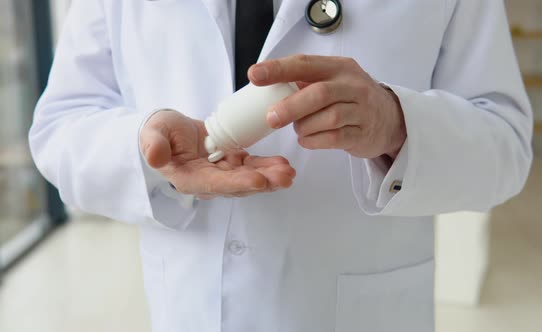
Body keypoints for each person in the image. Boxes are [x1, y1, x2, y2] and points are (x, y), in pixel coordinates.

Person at [29, 1, 533, 331]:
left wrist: (397, 125)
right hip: (190, 306)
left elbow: (506, 145)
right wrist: (146, 148)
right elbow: (61, 126)